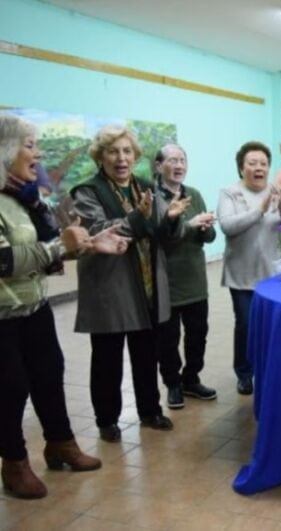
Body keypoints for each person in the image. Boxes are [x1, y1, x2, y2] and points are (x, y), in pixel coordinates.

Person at [0, 115, 130, 498]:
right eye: (30, 145)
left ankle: (60, 444)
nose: (38, 153)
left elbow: (49, 249)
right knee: (11, 387)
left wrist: (89, 244)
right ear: (5, 150)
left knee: (49, 373)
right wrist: (61, 245)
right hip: (2, 316)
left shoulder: (24, 197)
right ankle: (14, 462)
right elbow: (4, 261)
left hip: (33, 305)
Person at [71, 125, 188, 442]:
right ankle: (107, 419)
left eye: (127, 151)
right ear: (101, 156)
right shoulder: (87, 191)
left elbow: (163, 232)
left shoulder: (146, 187)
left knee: (146, 353)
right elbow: (99, 231)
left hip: (148, 284)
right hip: (110, 285)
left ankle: (150, 411)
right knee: (107, 357)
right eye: (113, 151)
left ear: (135, 156)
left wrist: (172, 218)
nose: (121, 158)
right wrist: (139, 217)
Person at [218, 141, 281, 395]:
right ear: (241, 168)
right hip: (242, 275)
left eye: (263, 163)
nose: (259, 168)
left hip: (272, 276)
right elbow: (228, 226)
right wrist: (260, 210)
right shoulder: (230, 193)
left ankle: (270, 369)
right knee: (246, 324)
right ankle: (244, 373)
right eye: (252, 163)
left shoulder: (276, 191)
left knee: (273, 325)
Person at [153, 144, 218, 410]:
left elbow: (209, 238)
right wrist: (189, 225)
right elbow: (161, 238)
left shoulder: (194, 194)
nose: (179, 165)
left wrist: (206, 227)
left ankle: (191, 378)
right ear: (159, 166)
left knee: (198, 334)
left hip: (195, 279)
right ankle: (173, 384)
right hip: (166, 281)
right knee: (168, 339)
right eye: (172, 160)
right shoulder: (153, 198)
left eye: (182, 160)